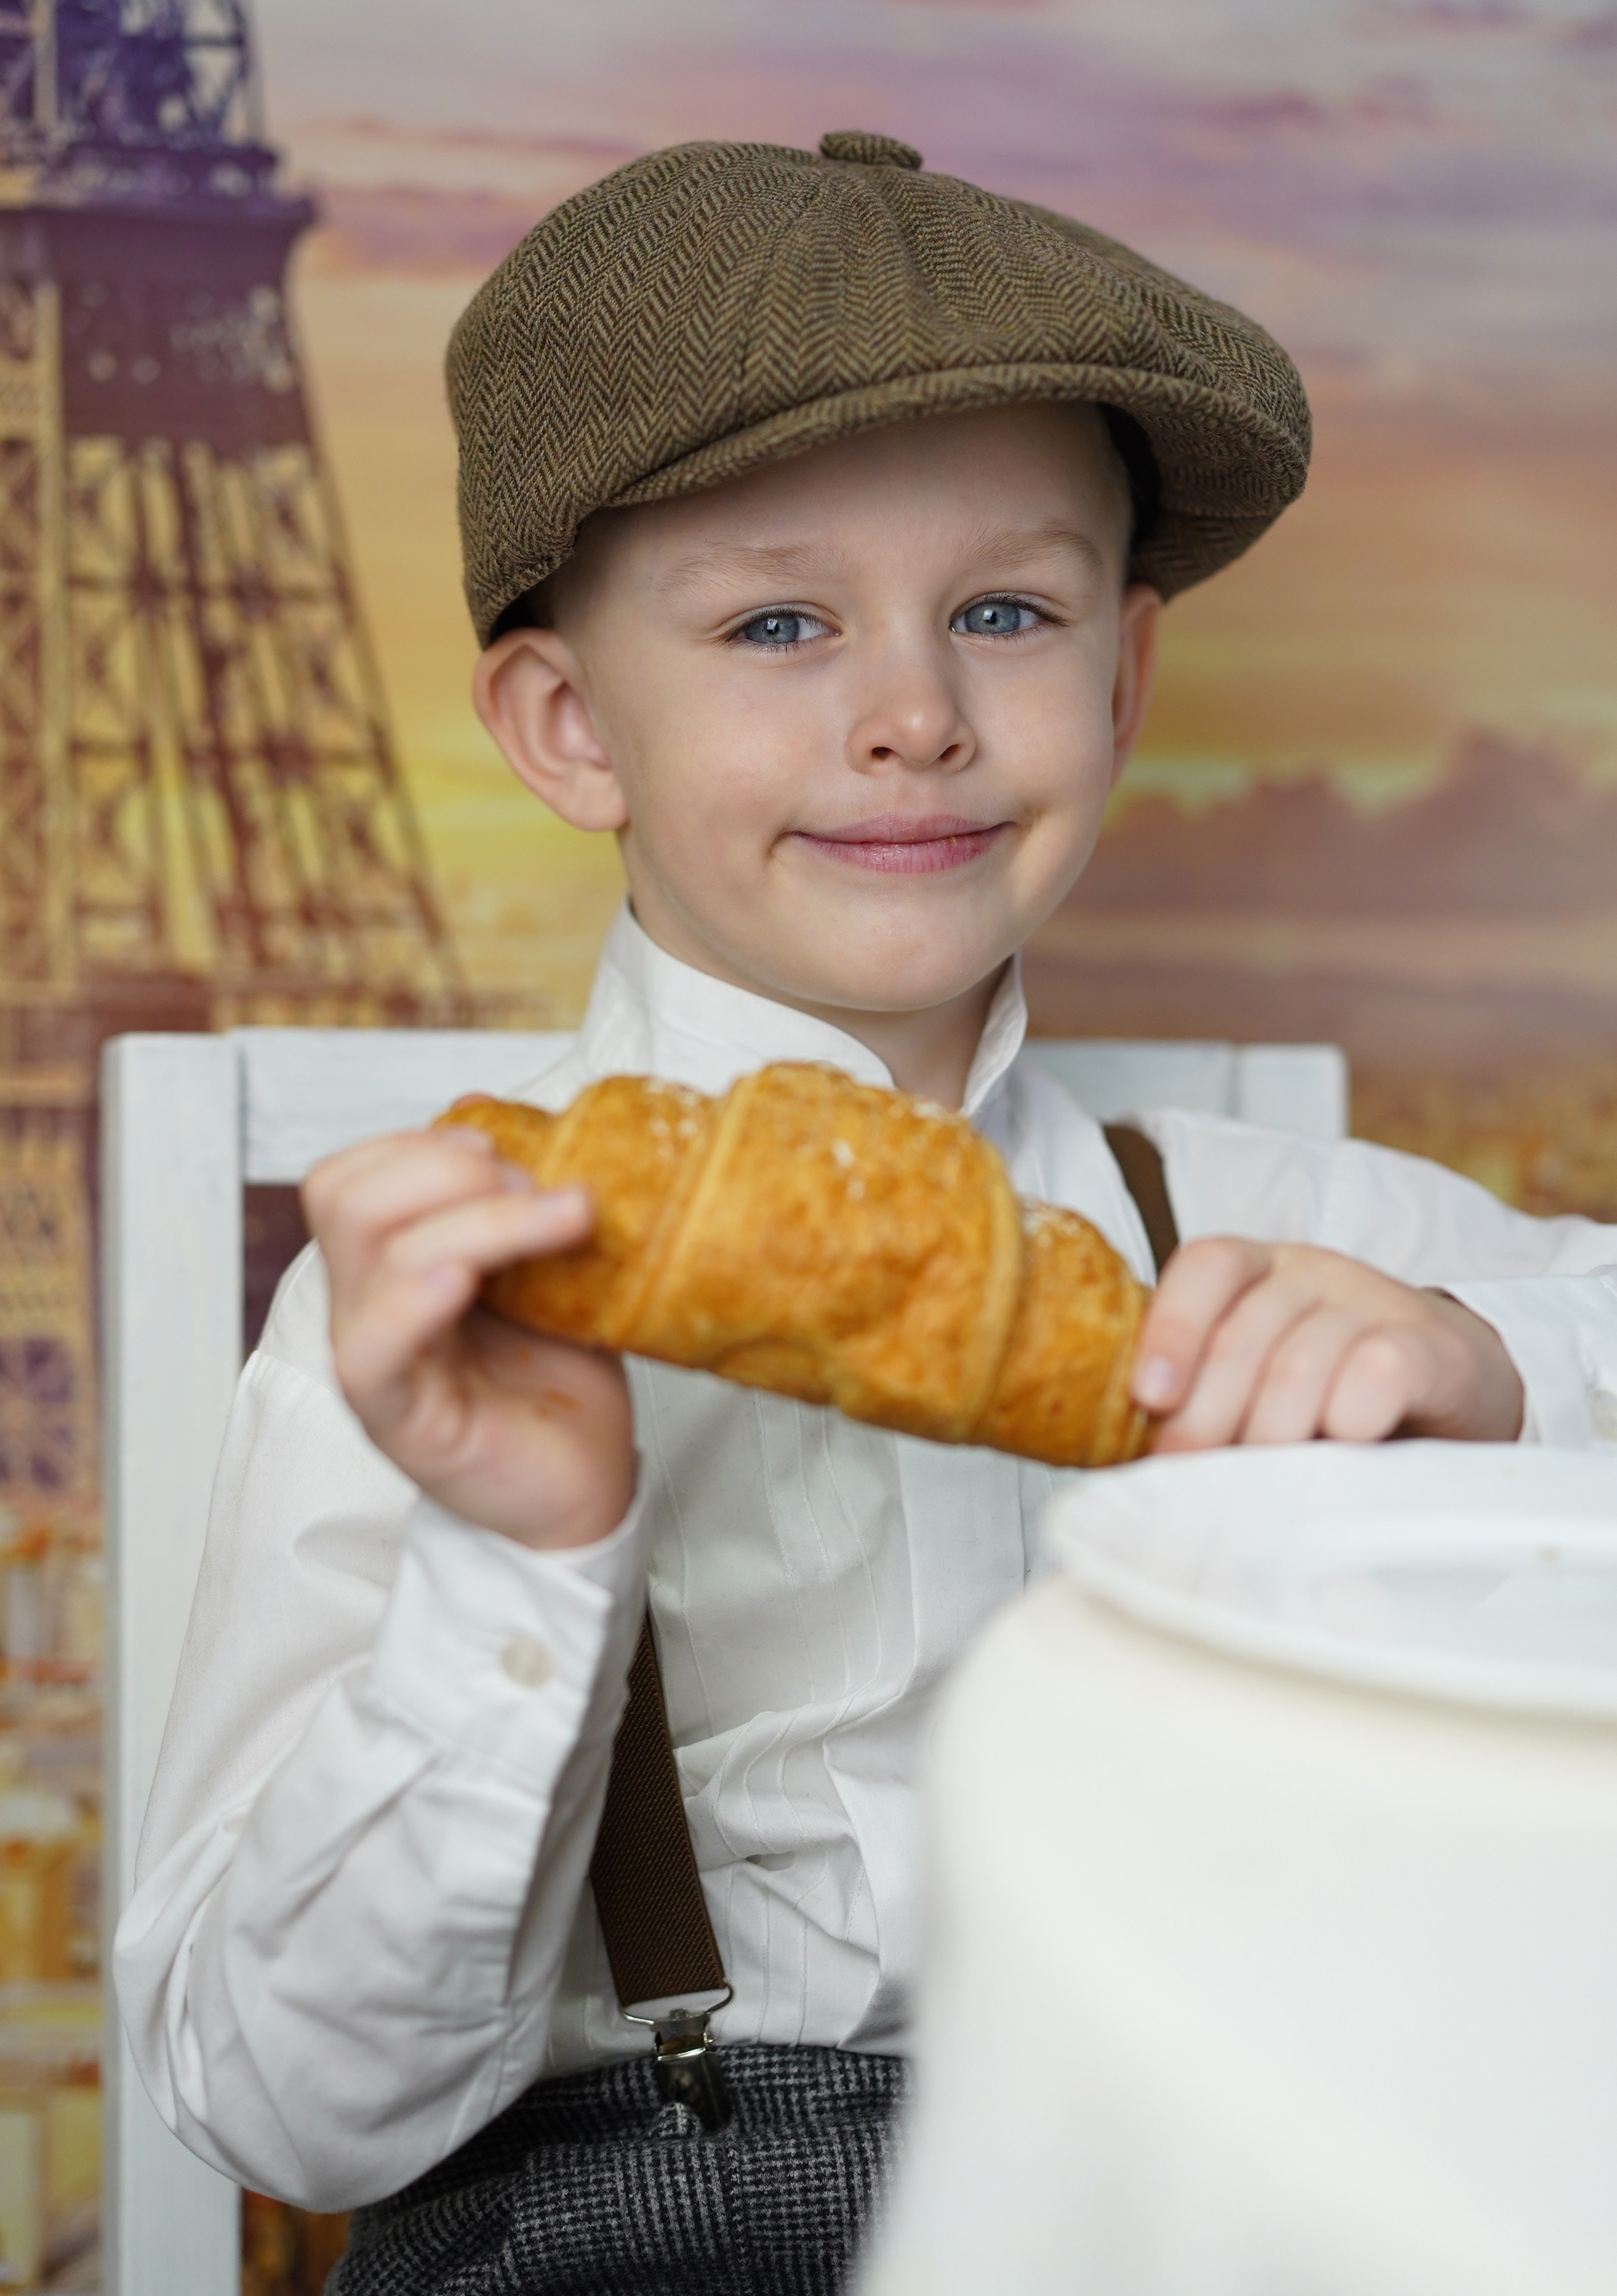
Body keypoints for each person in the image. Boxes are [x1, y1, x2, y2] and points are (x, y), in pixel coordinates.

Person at [113, 132, 1617, 2295]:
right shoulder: (428, 1321)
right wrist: (512, 1566)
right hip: (628, 2215)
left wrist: (1496, 1379)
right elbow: (276, 2105)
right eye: (778, 621)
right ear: (565, 727)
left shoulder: (1289, 1229)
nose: (912, 715)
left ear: (1121, 685)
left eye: (1004, 611)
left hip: (1187, 2206)